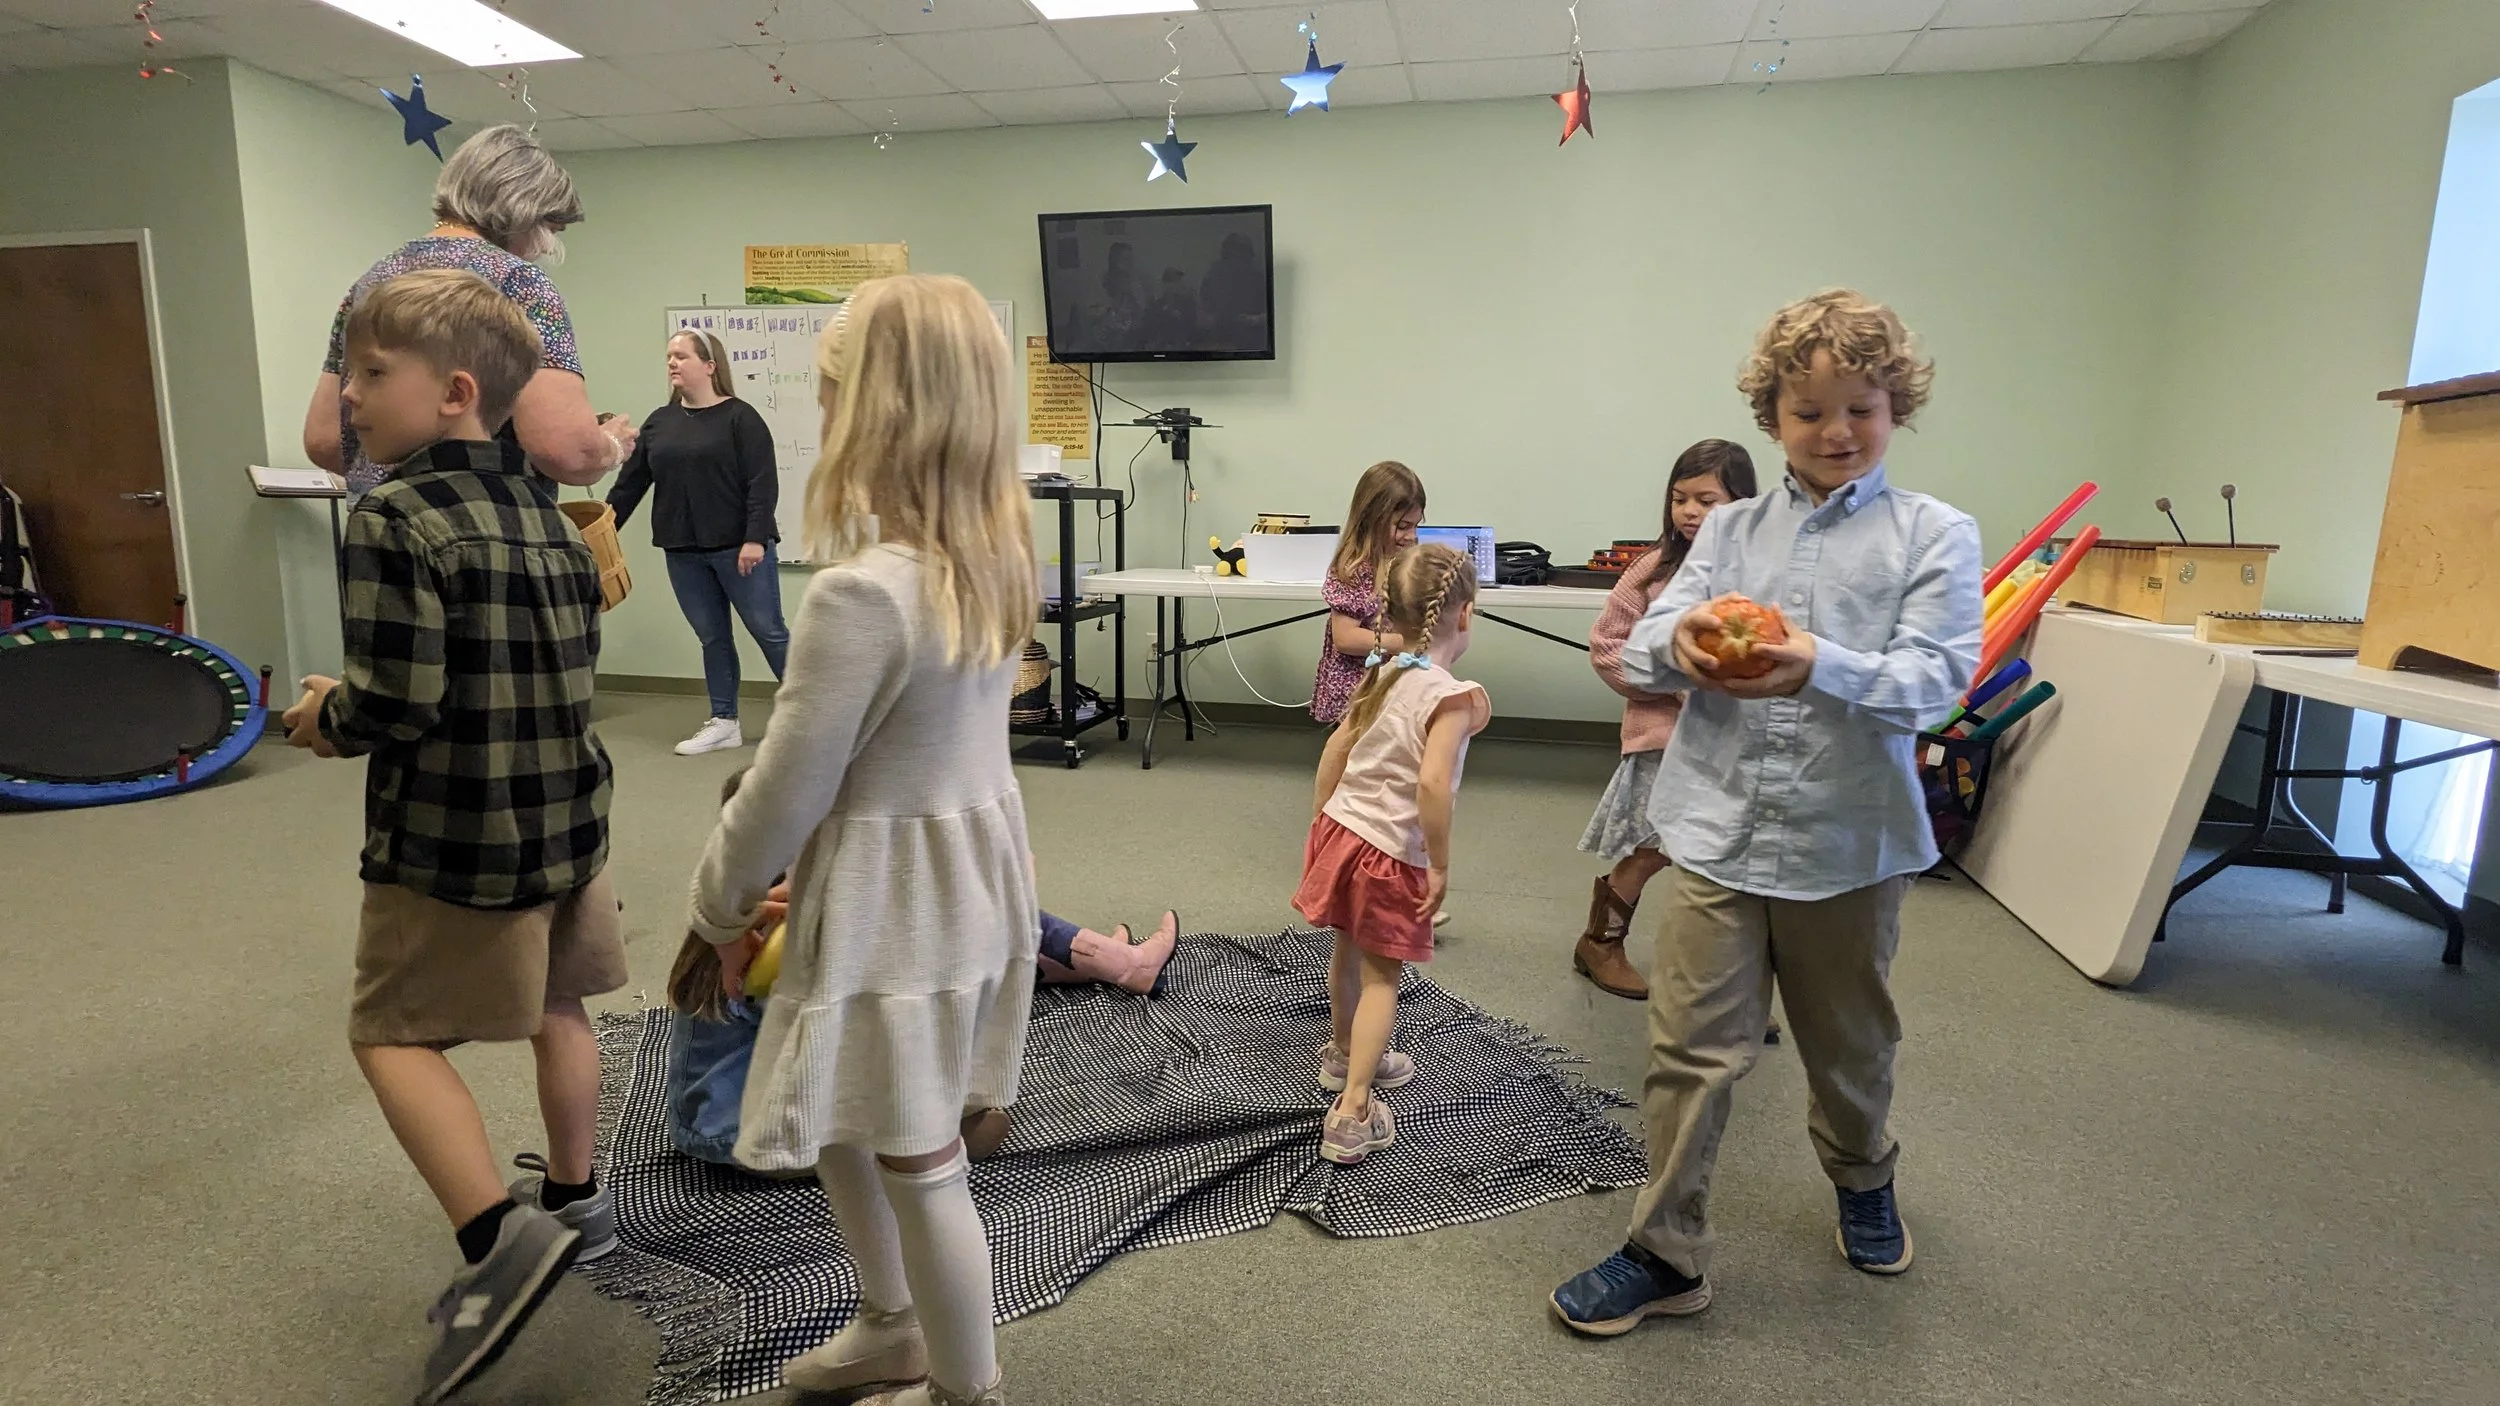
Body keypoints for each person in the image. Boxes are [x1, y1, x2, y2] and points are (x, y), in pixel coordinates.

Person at [1548, 289, 1982, 1335]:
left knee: (1848, 1048)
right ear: (1773, 417)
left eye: (1861, 409)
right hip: (1717, 830)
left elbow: (1936, 682)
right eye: (1809, 411)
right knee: (1688, 1050)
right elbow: (1646, 644)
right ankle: (1665, 1251)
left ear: (1896, 406)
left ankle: (1863, 1175)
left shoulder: (1934, 533)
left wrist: (1815, 662)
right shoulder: (1730, 530)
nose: (1836, 431)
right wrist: (1688, 641)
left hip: (1848, 842)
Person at [685, 274, 1034, 1406]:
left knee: (921, 1160)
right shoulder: (993, 561)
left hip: (899, 905)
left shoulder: (861, 595)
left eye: (831, 394)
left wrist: (716, 909)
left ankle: (964, 1388)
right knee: (847, 1113)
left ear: (880, 411)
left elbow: (784, 790)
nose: (822, 416)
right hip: (963, 885)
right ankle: (891, 1326)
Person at [277, 269, 622, 1406]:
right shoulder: (554, 519)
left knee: (390, 1034)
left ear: (456, 392)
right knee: (559, 1004)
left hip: (452, 835)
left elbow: (397, 701)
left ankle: (496, 1235)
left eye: (373, 372)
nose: (349, 394)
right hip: (568, 821)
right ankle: (575, 1200)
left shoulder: (393, 516)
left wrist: (325, 714)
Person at [667, 779, 1178, 1171]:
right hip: (749, 1136)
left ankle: (1093, 960)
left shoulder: (732, 913)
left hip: (709, 1119)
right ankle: (1112, 962)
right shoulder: (790, 931)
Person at [1292, 543, 1490, 1166]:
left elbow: (1336, 748)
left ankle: (1344, 1052)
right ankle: (1353, 1109)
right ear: (1465, 615)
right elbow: (1433, 786)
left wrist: (1322, 821)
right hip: (1388, 855)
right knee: (1384, 977)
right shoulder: (1452, 697)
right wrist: (1440, 863)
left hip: (1344, 831)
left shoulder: (1383, 671)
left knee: (1348, 948)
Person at [303, 124, 634, 493]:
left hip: (380, 512)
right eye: (550, 228)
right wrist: (610, 445)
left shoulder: (372, 282)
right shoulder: (519, 282)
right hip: (482, 516)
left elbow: (325, 439)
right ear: (524, 211)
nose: (545, 246)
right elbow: (564, 450)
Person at [1574, 439, 1759, 1002]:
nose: (1689, 512)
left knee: (1729, 862)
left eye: (1706, 500)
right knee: (1653, 846)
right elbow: (1608, 646)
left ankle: (1720, 978)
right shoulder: (1653, 570)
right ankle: (1600, 943)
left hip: (1738, 746)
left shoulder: (1761, 570)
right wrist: (1677, 684)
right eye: (1680, 499)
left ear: (1743, 504)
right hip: (1666, 739)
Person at [609, 329, 791, 756]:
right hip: (683, 551)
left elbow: (762, 483)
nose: (672, 363)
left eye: (681, 356)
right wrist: (599, 530)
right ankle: (724, 721)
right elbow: (630, 485)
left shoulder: (741, 418)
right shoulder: (660, 422)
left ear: (710, 366)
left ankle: (816, 714)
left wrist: (755, 538)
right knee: (712, 636)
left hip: (739, 549)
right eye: (669, 357)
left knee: (769, 632)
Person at [1311, 460, 1426, 727]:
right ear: (1373, 519)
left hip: (1386, 682)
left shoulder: (1397, 560)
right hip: (1356, 690)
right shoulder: (1353, 568)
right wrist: (1403, 643)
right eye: (1402, 526)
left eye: (1415, 526)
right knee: (1352, 750)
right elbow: (1345, 638)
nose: (1411, 536)